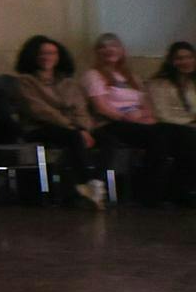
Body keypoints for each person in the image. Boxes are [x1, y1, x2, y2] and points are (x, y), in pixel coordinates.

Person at [80, 33, 195, 206]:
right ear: (97, 52)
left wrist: (148, 117)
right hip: (111, 124)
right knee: (161, 137)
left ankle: (179, 190)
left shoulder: (131, 76)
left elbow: (146, 101)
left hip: (140, 124)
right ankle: (149, 193)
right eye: (103, 46)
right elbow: (100, 107)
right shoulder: (93, 75)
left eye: (113, 45)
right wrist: (127, 118)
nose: (109, 49)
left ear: (122, 50)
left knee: (183, 136)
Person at [11, 35, 106, 209]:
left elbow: (80, 109)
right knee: (73, 137)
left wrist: (83, 128)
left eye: (52, 53)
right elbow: (39, 110)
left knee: (108, 139)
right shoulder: (25, 82)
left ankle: (89, 184)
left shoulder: (70, 83)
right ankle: (88, 183)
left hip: (74, 128)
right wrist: (73, 127)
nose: (47, 57)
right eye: (42, 53)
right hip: (39, 126)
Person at [148, 42, 196, 203]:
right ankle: (185, 191)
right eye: (180, 58)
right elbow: (162, 114)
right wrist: (190, 121)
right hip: (168, 127)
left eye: (189, 57)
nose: (186, 62)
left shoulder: (192, 83)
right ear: (171, 61)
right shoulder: (160, 83)